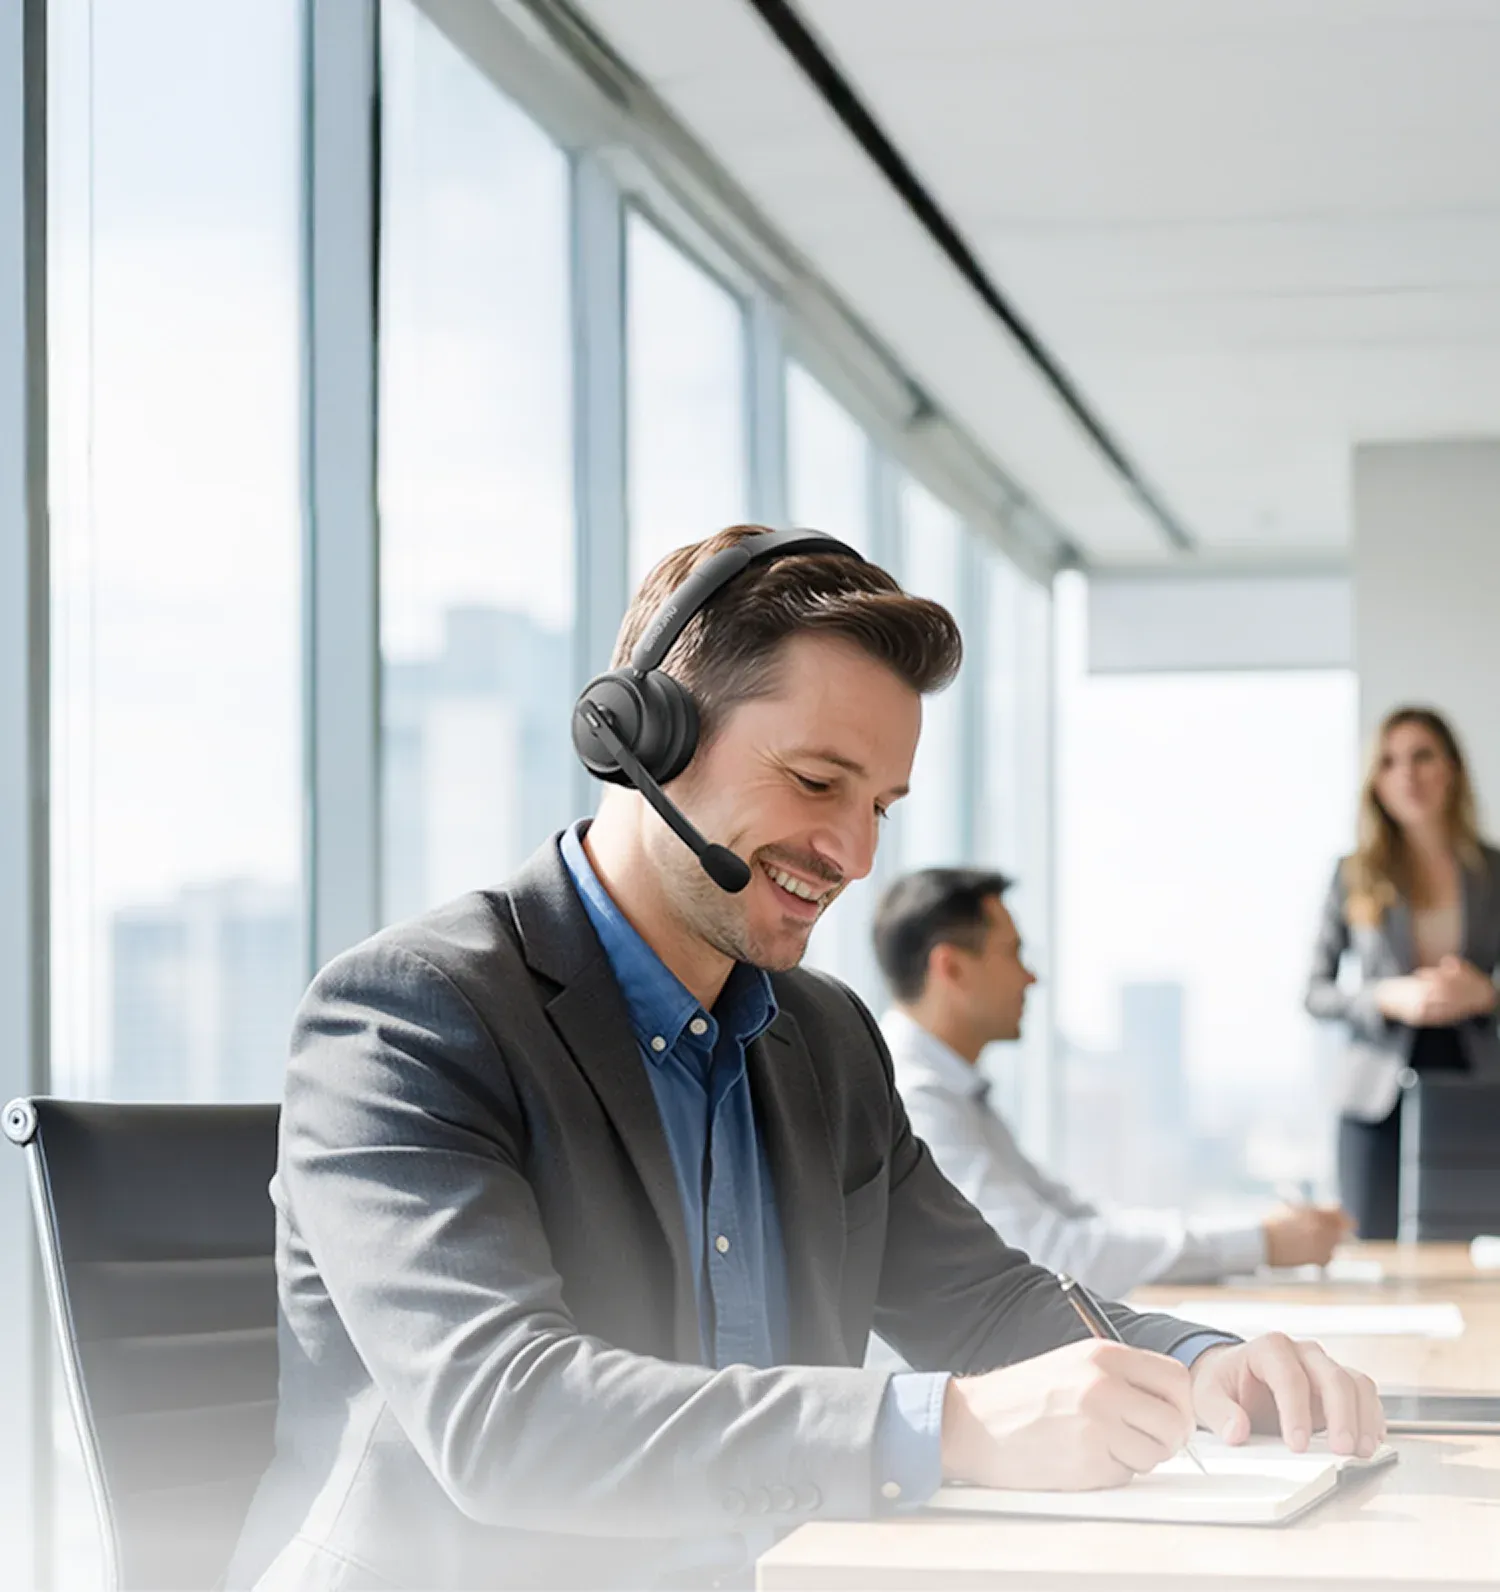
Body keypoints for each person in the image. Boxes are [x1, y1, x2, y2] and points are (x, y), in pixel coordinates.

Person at [230, 526, 1384, 1592]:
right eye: (818, 781)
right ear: (647, 737)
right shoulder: (410, 1015)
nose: (853, 851)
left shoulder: (820, 1033)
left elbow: (981, 1302)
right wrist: (955, 1428)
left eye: (882, 802)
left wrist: (1201, 1367)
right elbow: (506, 1416)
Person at [871, 868, 1350, 1301]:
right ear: (951, 968)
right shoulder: (916, 1098)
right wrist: (1261, 1244)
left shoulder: (952, 1089)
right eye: (1012, 953)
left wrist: (1259, 1233)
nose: (1031, 976)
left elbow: (1077, 1217)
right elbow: (1048, 1255)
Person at [1306, 704, 1500, 1239]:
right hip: (1373, 1096)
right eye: (1389, 762)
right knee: (1374, 1253)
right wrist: (1386, 996)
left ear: (1451, 769)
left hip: (1475, 1082)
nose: (1407, 774)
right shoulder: (1353, 875)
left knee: (1471, 1245)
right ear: (1376, 782)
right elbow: (1315, 993)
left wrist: (1487, 993)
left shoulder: (1493, 873)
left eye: (1422, 757)